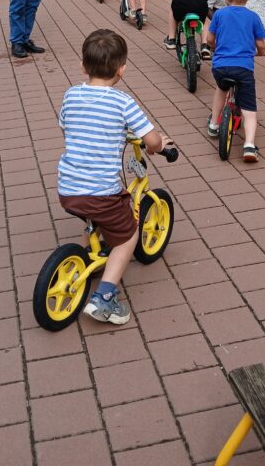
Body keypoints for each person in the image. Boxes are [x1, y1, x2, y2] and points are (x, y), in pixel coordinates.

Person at [57, 29, 172, 324]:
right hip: (101, 192)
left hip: (67, 188)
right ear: (121, 70)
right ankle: (106, 297)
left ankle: (94, 251)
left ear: (83, 66)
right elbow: (151, 139)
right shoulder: (123, 102)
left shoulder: (71, 95)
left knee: (95, 213)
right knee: (128, 234)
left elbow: (66, 126)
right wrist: (159, 146)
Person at [206, 0, 265, 163]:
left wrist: (217, 47)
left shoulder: (220, 14)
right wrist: (259, 53)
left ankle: (214, 124)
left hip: (220, 67)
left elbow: (209, 40)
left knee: (221, 89)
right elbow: (261, 46)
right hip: (243, 69)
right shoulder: (253, 17)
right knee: (249, 109)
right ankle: (249, 145)